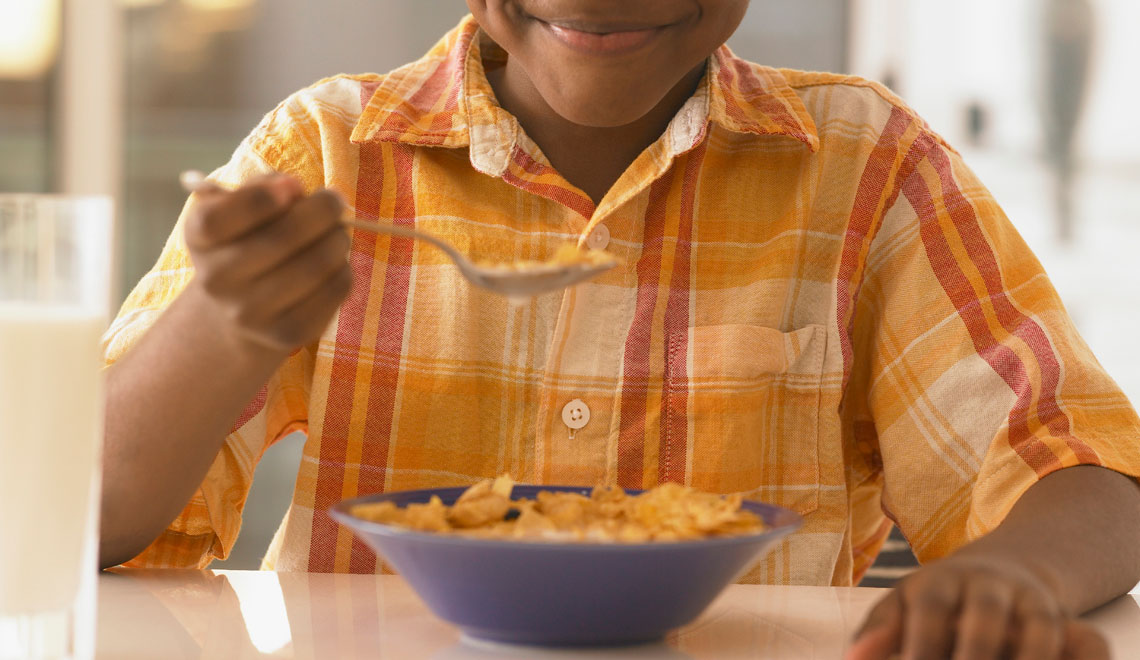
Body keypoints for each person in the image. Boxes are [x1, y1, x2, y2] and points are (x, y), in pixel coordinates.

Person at [100, 1, 1140, 657]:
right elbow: (78, 518)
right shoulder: (326, 151)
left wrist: (1013, 576)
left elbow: (1085, 474)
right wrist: (220, 324)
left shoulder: (867, 168)